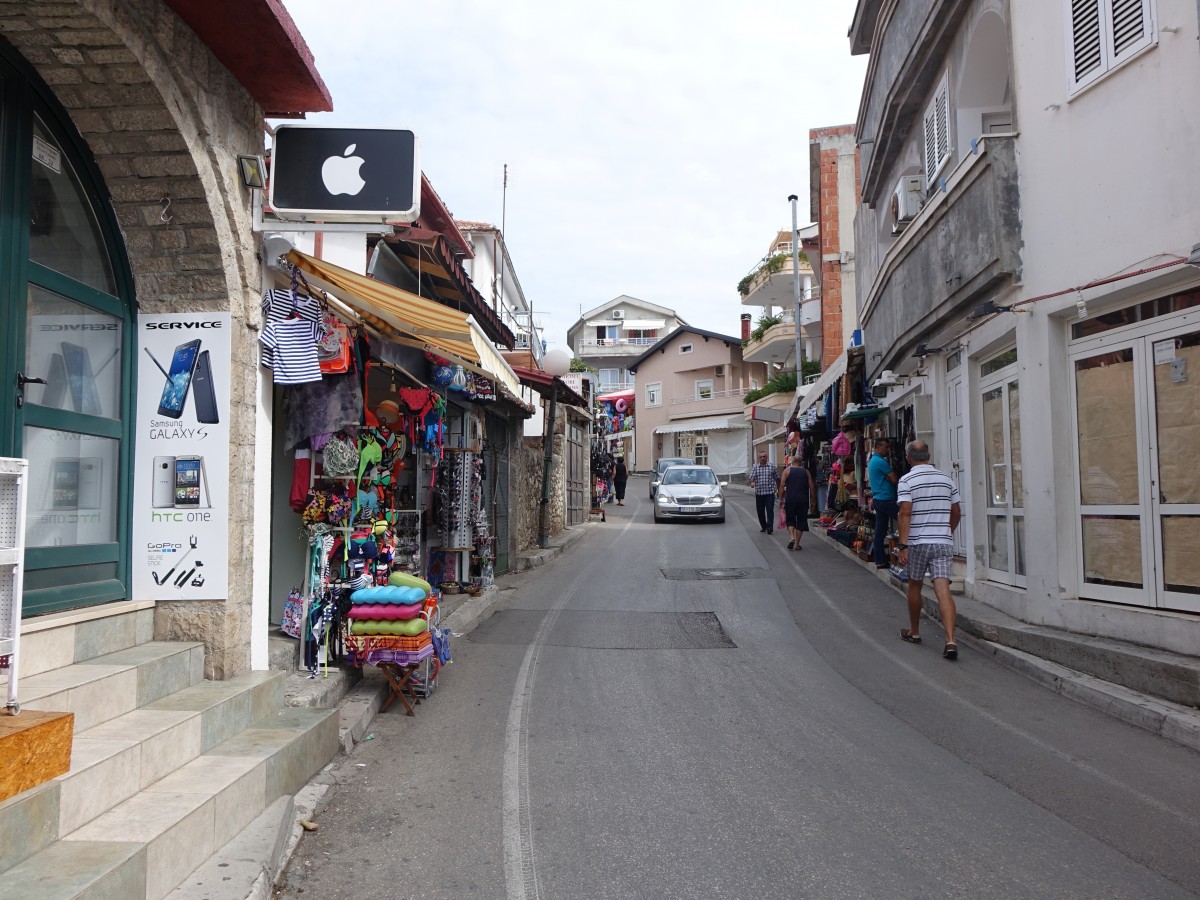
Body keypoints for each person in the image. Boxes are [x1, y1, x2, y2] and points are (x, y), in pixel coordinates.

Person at [896, 440, 962, 661]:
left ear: (908, 458)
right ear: (929, 455)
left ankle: (914, 632)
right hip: (942, 542)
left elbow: (905, 513)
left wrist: (903, 545)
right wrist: (946, 532)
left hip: (917, 543)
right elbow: (956, 512)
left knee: (915, 584)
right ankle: (950, 639)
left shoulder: (906, 480)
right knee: (943, 589)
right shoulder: (946, 479)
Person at [868, 437, 899, 569]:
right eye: (886, 447)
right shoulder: (881, 462)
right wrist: (890, 478)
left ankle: (880, 560)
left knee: (880, 531)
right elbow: (894, 479)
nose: (887, 450)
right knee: (906, 521)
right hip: (887, 498)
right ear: (878, 447)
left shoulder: (873, 460)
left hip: (878, 499)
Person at [777, 456, 817, 550]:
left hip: (790, 499)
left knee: (790, 519)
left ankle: (791, 538)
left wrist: (780, 499)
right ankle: (797, 544)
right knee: (801, 521)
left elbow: (782, 485)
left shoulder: (787, 471)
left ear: (791, 462)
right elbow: (811, 486)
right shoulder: (806, 472)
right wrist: (814, 499)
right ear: (801, 463)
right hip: (803, 500)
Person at [748, 451, 780, 534]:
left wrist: (779, 489)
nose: (762, 458)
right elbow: (751, 478)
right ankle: (764, 526)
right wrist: (752, 482)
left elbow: (777, 478)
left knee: (770, 510)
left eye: (764, 456)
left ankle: (770, 527)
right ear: (759, 458)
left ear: (767, 457)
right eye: (761, 457)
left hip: (769, 493)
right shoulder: (755, 467)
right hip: (759, 494)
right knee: (760, 511)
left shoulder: (772, 466)